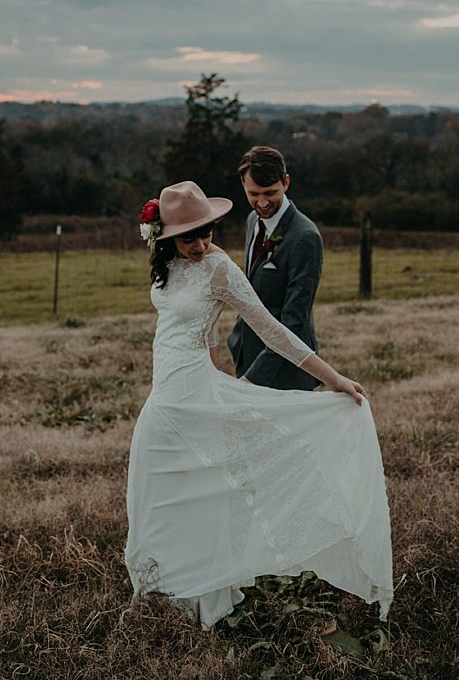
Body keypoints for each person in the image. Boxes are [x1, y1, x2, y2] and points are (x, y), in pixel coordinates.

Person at [125, 180, 393, 628]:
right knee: (156, 495)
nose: (201, 243)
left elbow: (273, 330)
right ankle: (161, 584)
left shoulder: (219, 268)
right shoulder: (167, 267)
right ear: (165, 237)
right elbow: (196, 329)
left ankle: (203, 590)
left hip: (195, 397)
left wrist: (333, 378)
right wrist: (214, 361)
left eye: (207, 232)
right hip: (164, 402)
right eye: (189, 236)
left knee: (205, 496)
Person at [227, 146, 324, 391]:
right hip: (247, 354)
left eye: (270, 193)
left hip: (286, 369)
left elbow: (295, 319)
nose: (262, 202)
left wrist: (255, 377)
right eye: (254, 193)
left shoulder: (305, 237)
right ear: (243, 185)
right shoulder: (252, 221)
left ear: (286, 182)